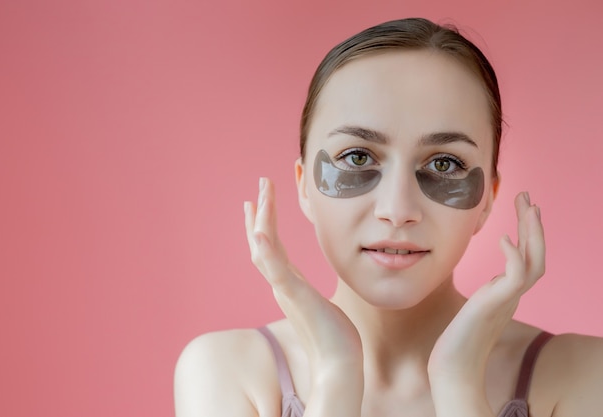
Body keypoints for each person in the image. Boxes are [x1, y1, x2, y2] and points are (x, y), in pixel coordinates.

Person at [174, 18, 603, 417]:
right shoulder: (227, 372)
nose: (397, 211)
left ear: (487, 198)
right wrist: (336, 373)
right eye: (357, 156)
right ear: (304, 184)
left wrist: (458, 381)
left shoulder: (581, 375)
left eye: (444, 165)